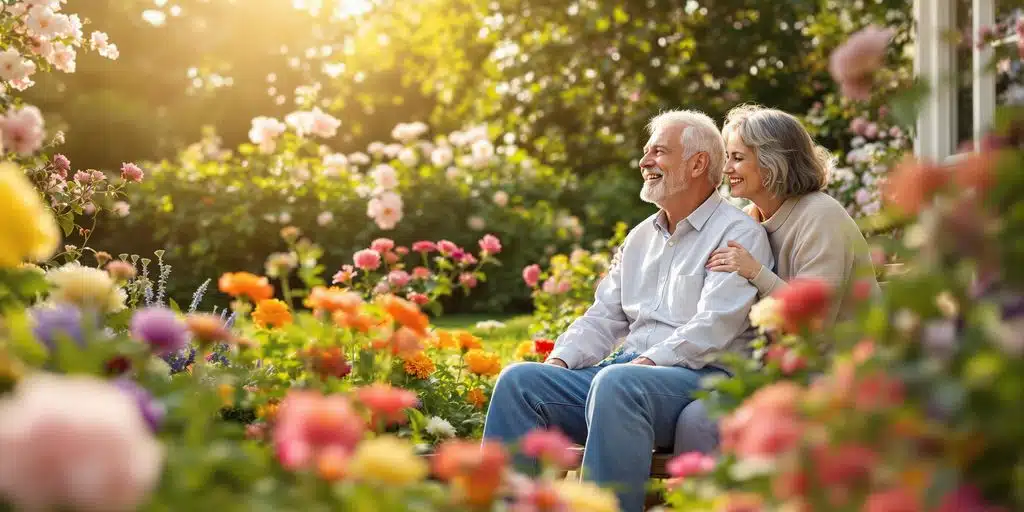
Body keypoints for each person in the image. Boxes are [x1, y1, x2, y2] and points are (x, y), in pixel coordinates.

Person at [482, 109, 774, 512]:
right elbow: (604, 315)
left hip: (698, 378)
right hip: (628, 377)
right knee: (521, 382)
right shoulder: (640, 238)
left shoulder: (738, 234)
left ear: (698, 163)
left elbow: (714, 326)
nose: (644, 162)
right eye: (645, 152)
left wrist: (647, 362)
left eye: (658, 152)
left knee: (618, 383)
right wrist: (561, 362)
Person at [673, 104, 881, 455]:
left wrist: (756, 272)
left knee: (702, 420)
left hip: (839, 372)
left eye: (737, 158)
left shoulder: (819, 216)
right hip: (775, 369)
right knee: (693, 412)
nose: (726, 169)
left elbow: (815, 323)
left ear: (771, 162)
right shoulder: (748, 219)